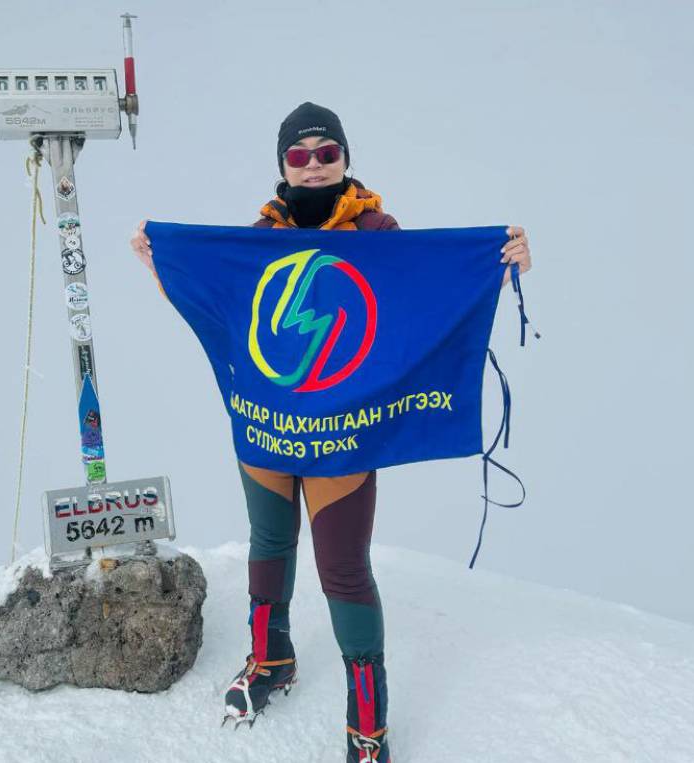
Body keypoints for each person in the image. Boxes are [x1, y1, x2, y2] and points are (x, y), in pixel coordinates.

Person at [130, 102, 532, 763]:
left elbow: (427, 296)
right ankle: (271, 659)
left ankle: (367, 727)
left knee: (342, 568)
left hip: (342, 434)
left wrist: (503, 261)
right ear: (282, 164)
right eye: (299, 155)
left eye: (328, 153)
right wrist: (162, 263)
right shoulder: (260, 234)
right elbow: (222, 308)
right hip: (268, 425)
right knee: (269, 540)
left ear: (346, 160)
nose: (314, 166)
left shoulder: (378, 230)